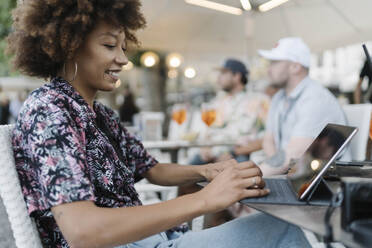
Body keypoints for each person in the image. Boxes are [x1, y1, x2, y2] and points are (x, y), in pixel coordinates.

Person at [8, 1, 311, 248]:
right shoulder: (50, 111)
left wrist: (204, 171)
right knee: (280, 230)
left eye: (124, 47)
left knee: (276, 226)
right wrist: (204, 198)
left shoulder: (99, 115)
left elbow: (152, 169)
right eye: (110, 45)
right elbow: (83, 232)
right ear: (69, 44)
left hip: (152, 238)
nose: (123, 59)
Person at [257, 37, 350, 176]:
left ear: (295, 66)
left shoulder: (315, 98)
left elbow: (293, 154)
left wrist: (249, 177)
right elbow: (268, 141)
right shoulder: (279, 97)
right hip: (293, 174)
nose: (268, 69)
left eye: (275, 62)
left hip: (322, 182)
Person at [190, 59, 269, 165]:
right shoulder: (217, 103)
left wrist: (232, 152)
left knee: (241, 165)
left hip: (242, 155)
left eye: (223, 73)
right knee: (185, 173)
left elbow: (269, 136)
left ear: (237, 76)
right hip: (212, 156)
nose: (218, 77)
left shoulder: (259, 100)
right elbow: (209, 131)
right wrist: (205, 149)